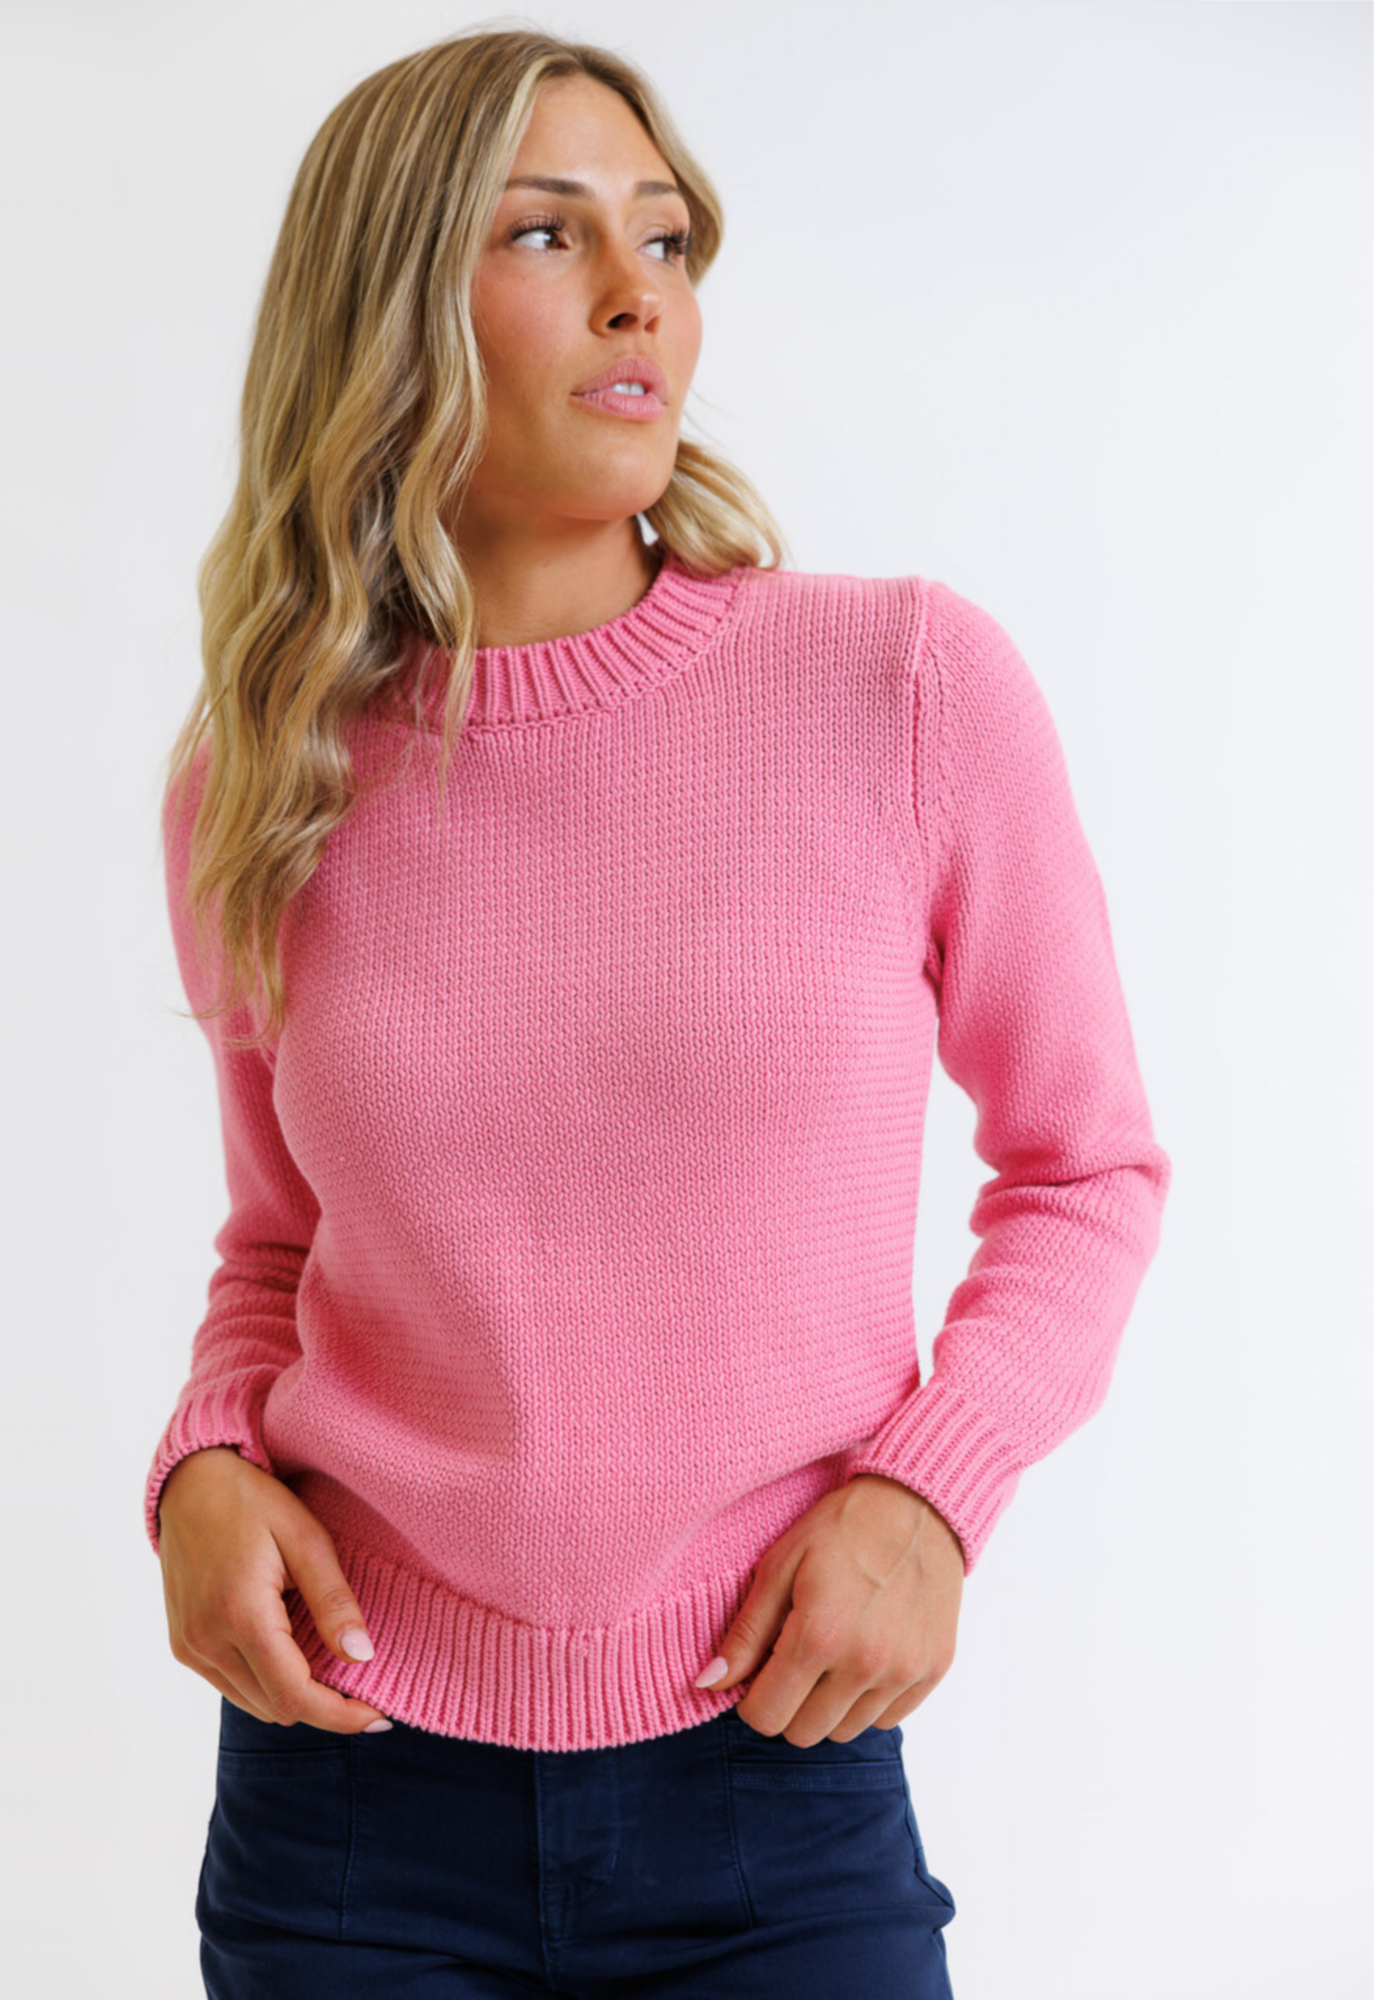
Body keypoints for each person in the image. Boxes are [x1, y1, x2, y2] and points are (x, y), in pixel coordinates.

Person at [142, 27, 1172, 1999]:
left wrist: (928, 1493)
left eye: (666, 237)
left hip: (773, 1769)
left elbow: (1085, 1167)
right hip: (346, 1794)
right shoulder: (257, 781)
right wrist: (201, 1462)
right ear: (387, 308)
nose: (640, 295)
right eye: (547, 233)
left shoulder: (901, 689)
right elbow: (279, 1248)